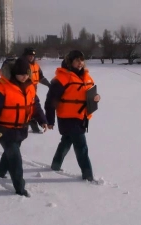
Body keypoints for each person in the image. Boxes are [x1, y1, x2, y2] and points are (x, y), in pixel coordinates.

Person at [0, 58, 48, 197]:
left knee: (10, 155)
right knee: (15, 159)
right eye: (20, 74)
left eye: (26, 73)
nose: (24, 76)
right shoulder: (0, 87)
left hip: (21, 129)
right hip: (4, 131)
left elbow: (35, 105)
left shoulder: (30, 86)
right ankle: (20, 188)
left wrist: (42, 120)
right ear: (14, 73)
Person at [44, 50, 101, 181]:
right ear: (70, 62)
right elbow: (50, 101)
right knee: (81, 146)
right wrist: (50, 120)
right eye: (76, 60)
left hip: (82, 117)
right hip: (67, 117)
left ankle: (55, 165)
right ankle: (88, 175)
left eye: (82, 60)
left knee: (66, 141)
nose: (80, 63)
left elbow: (90, 94)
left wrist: (97, 98)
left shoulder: (87, 77)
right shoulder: (61, 78)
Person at [22, 47, 51, 133]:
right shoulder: (21, 65)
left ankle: (32, 120)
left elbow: (41, 77)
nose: (31, 57)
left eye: (33, 55)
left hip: (33, 90)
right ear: (25, 55)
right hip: (23, 90)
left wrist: (49, 85)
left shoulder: (36, 66)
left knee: (33, 106)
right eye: (29, 55)